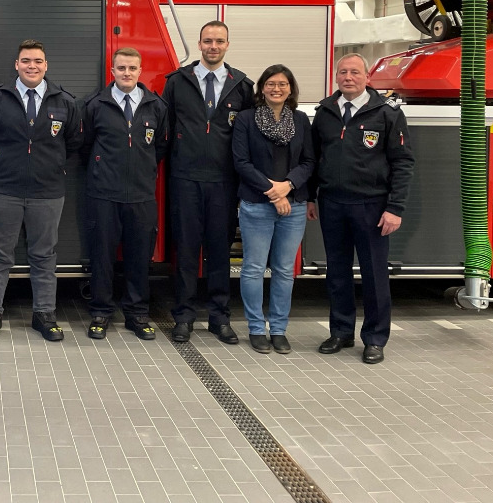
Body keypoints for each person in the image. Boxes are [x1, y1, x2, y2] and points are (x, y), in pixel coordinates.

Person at [309, 53, 415, 365]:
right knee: (337, 273)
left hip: (372, 206)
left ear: (367, 77)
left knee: (374, 275)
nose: (348, 77)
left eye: (355, 72)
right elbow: (315, 159)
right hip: (332, 204)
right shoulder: (325, 112)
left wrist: (395, 208)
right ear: (336, 77)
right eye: (343, 72)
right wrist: (311, 197)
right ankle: (341, 332)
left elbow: (403, 163)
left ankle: (375, 338)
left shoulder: (386, 114)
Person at [0, 39, 82, 342]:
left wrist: (49, 165)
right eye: (26, 61)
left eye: (37, 61)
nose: (31, 66)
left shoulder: (64, 102)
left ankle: (44, 315)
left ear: (46, 65)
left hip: (47, 192)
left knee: (44, 255)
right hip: (3, 190)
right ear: (17, 65)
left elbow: (73, 142)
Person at [164, 20, 254, 344]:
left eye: (219, 41)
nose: (213, 46)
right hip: (185, 180)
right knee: (186, 252)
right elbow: (165, 131)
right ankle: (184, 318)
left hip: (223, 183)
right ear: (198, 43)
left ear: (227, 44)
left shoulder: (243, 86)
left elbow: (249, 138)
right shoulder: (177, 82)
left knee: (219, 252)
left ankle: (219, 318)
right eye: (207, 41)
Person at [81, 48, 169, 341]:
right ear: (112, 71)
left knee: (138, 257)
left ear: (140, 71)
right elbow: (86, 146)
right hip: (103, 194)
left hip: (142, 196)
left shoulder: (156, 106)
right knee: (102, 256)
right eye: (121, 68)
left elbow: (160, 148)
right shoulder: (95, 104)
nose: (127, 73)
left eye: (132, 68)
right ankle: (100, 313)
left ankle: (137, 314)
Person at [232, 65, 315, 354]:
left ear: (291, 89)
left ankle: (278, 330)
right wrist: (274, 191)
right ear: (262, 88)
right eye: (270, 83)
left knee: (282, 270)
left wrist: (288, 186)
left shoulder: (302, 121)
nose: (276, 88)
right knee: (253, 269)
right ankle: (256, 328)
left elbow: (309, 163)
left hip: (293, 205)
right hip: (256, 204)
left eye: (282, 84)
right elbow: (241, 163)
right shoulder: (246, 120)